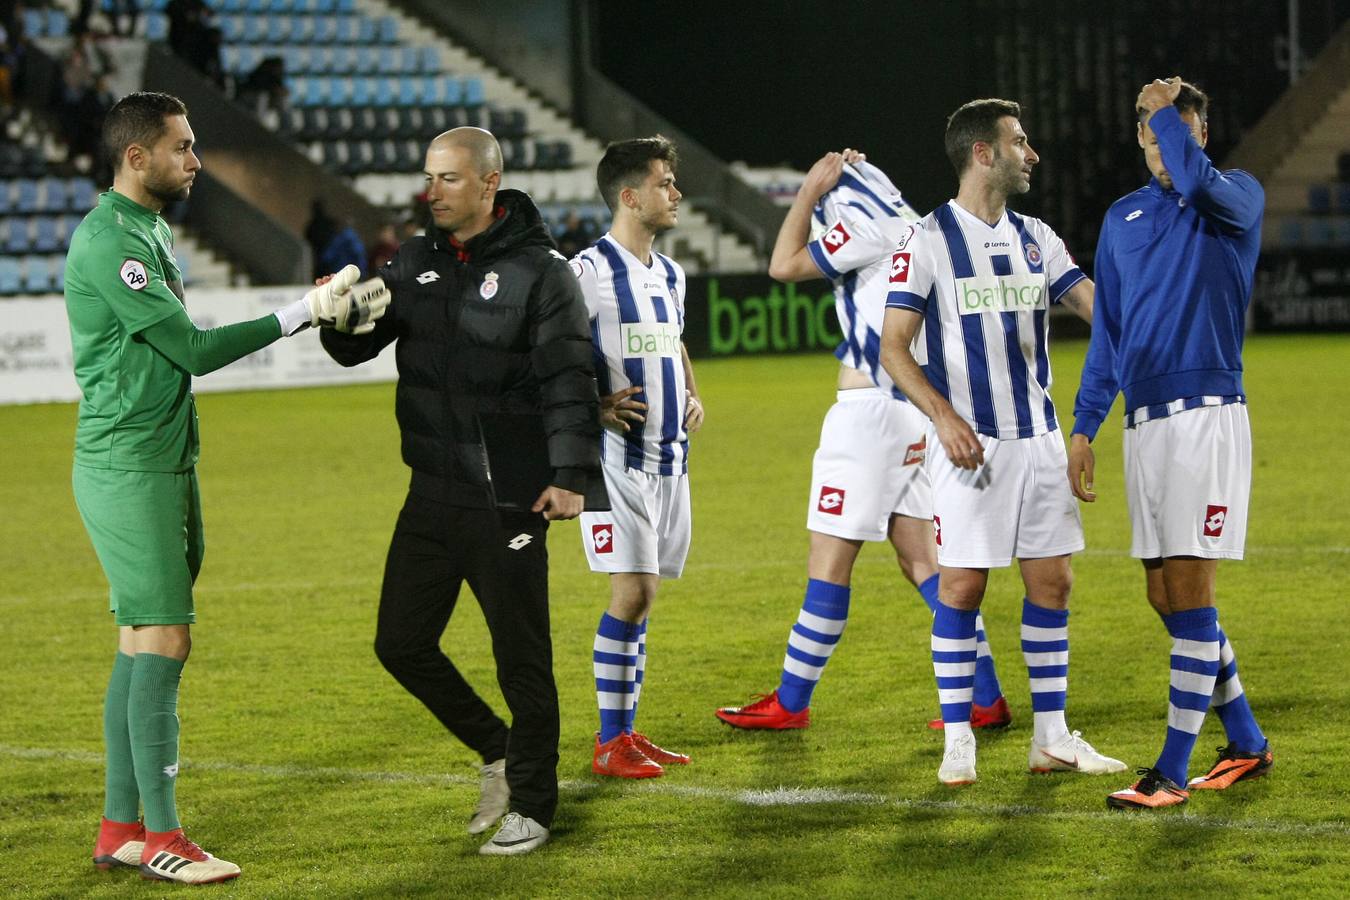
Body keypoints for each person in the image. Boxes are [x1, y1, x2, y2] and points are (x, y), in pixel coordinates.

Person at [68, 91, 387, 885]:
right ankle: (166, 838)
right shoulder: (113, 242)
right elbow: (193, 351)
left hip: (166, 458)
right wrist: (303, 313)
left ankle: (120, 828)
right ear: (136, 157)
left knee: (139, 638)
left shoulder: (150, 227)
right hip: (127, 465)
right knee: (166, 636)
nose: (196, 160)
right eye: (182, 147)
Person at [320, 126, 604, 855]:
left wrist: (570, 477)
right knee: (400, 643)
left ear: (489, 183)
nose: (433, 191)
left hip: (510, 492)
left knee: (522, 659)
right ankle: (499, 750)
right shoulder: (413, 260)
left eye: (448, 178)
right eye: (428, 178)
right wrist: (336, 316)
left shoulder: (544, 273)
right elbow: (358, 344)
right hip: (432, 490)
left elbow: (571, 378)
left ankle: (534, 806)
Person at [715, 151, 1013, 734]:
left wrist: (807, 194)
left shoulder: (860, 220)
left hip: (869, 415)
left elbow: (782, 265)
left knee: (828, 563)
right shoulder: (914, 223)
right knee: (921, 560)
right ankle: (986, 696)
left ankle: (792, 701)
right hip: (911, 413)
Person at [878, 98, 1121, 787]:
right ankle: (959, 738)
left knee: (1054, 582)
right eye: (1020, 141)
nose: (1032, 153)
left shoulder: (1038, 237)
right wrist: (943, 418)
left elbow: (1096, 309)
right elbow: (894, 347)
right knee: (961, 587)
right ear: (982, 153)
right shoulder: (925, 240)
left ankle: (1051, 739)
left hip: (1040, 440)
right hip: (970, 447)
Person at [1069, 78, 1273, 811]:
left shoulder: (1236, 195)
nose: (1161, 148)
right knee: (1167, 596)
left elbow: (1194, 177)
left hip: (1207, 419)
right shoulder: (1123, 218)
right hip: (1146, 427)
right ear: (1138, 140)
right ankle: (1245, 738)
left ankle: (1172, 770)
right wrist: (1086, 425)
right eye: (1151, 135)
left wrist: (1167, 114)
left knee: (1190, 594)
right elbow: (1111, 335)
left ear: (1199, 136)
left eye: (1175, 132)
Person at [571, 136, 703, 779]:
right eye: (664, 183)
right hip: (613, 460)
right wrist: (591, 407)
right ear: (629, 196)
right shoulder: (587, 273)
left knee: (644, 599)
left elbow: (674, 345)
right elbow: (542, 356)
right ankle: (607, 742)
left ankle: (625, 731)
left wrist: (693, 392)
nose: (675, 193)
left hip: (669, 459)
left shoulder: (670, 273)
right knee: (633, 592)